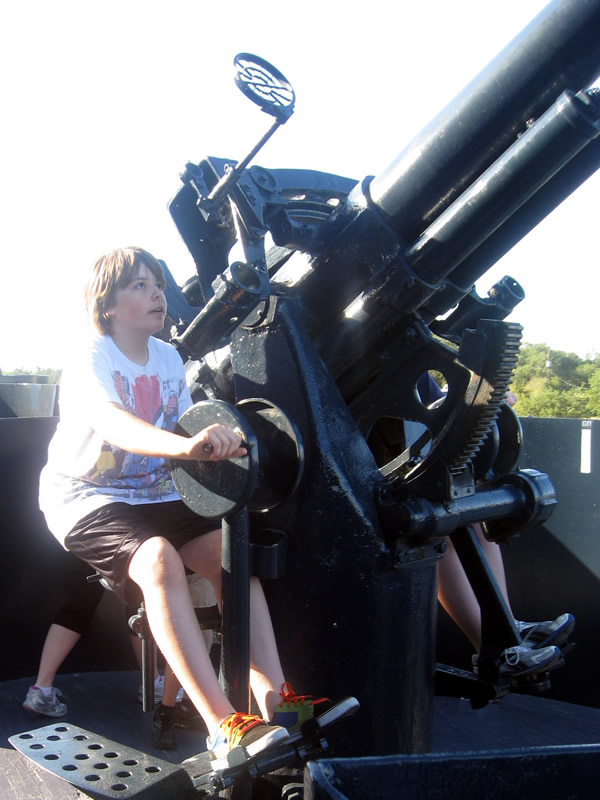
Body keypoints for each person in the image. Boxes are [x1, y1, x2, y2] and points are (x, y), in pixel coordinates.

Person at [38, 246, 327, 763]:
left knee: (231, 557)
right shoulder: (91, 357)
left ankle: (279, 705)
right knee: (157, 560)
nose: (157, 294)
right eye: (140, 285)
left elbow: (186, 421)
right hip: (87, 495)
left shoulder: (168, 357)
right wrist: (186, 446)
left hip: (156, 491)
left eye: (158, 285)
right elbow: (113, 423)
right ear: (107, 304)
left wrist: (219, 438)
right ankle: (224, 727)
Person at [416, 373, 574, 678]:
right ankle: (496, 649)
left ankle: (507, 630)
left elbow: (438, 408)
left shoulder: (413, 370)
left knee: (471, 516)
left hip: (418, 468)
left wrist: (482, 403)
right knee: (436, 530)